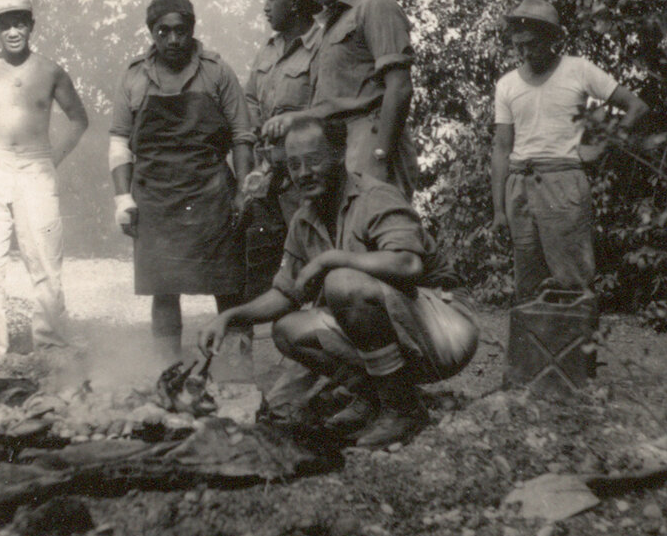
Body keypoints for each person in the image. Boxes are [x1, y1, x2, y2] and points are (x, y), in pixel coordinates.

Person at [199, 115, 478, 448]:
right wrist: (230, 317)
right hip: (406, 329)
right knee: (287, 329)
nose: (303, 173)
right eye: (294, 165)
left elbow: (407, 263)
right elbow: (286, 294)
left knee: (341, 282)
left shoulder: (375, 197)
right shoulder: (304, 219)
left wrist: (329, 259)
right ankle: (375, 398)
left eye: (314, 160)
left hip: (447, 327)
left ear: (339, 154)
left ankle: (402, 409)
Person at [110, 0, 253, 363]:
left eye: (181, 30)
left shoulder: (216, 71)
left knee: (228, 285)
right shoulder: (134, 77)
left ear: (192, 29)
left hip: (211, 194)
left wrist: (243, 192)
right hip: (155, 198)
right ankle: (168, 371)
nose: (173, 39)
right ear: (152, 32)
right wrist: (123, 199)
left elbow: (242, 136)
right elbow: (119, 142)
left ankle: (236, 370)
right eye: (164, 31)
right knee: (163, 287)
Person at [491, 0, 649, 301]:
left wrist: (603, 145)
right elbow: (501, 147)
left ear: (552, 38)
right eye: (519, 45)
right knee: (528, 286)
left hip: (563, 182)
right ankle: (532, 333)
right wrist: (498, 210)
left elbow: (636, 107)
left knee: (573, 280)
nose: (525, 52)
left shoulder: (578, 69)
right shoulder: (507, 85)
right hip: (519, 186)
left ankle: (576, 330)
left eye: (533, 44)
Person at [0, 0, 88, 360]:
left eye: (19, 23)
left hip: (35, 168)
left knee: (45, 259)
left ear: (31, 25)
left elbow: (79, 119)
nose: (13, 32)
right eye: (5, 25)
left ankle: (50, 346)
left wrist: (51, 159)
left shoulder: (50, 71)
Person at [265, 0, 418, 198]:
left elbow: (399, 87)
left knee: (377, 219)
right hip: (338, 150)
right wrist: (294, 118)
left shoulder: (374, 7)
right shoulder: (330, 26)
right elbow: (335, 104)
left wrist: (381, 155)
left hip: (371, 141)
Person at [241, 0, 320, 297]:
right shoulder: (268, 49)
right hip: (268, 177)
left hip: (306, 178)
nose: (265, 7)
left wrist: (293, 123)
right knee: (262, 269)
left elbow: (329, 107)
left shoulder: (321, 47)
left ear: (295, 3)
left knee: (311, 263)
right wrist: (255, 127)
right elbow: (249, 98)